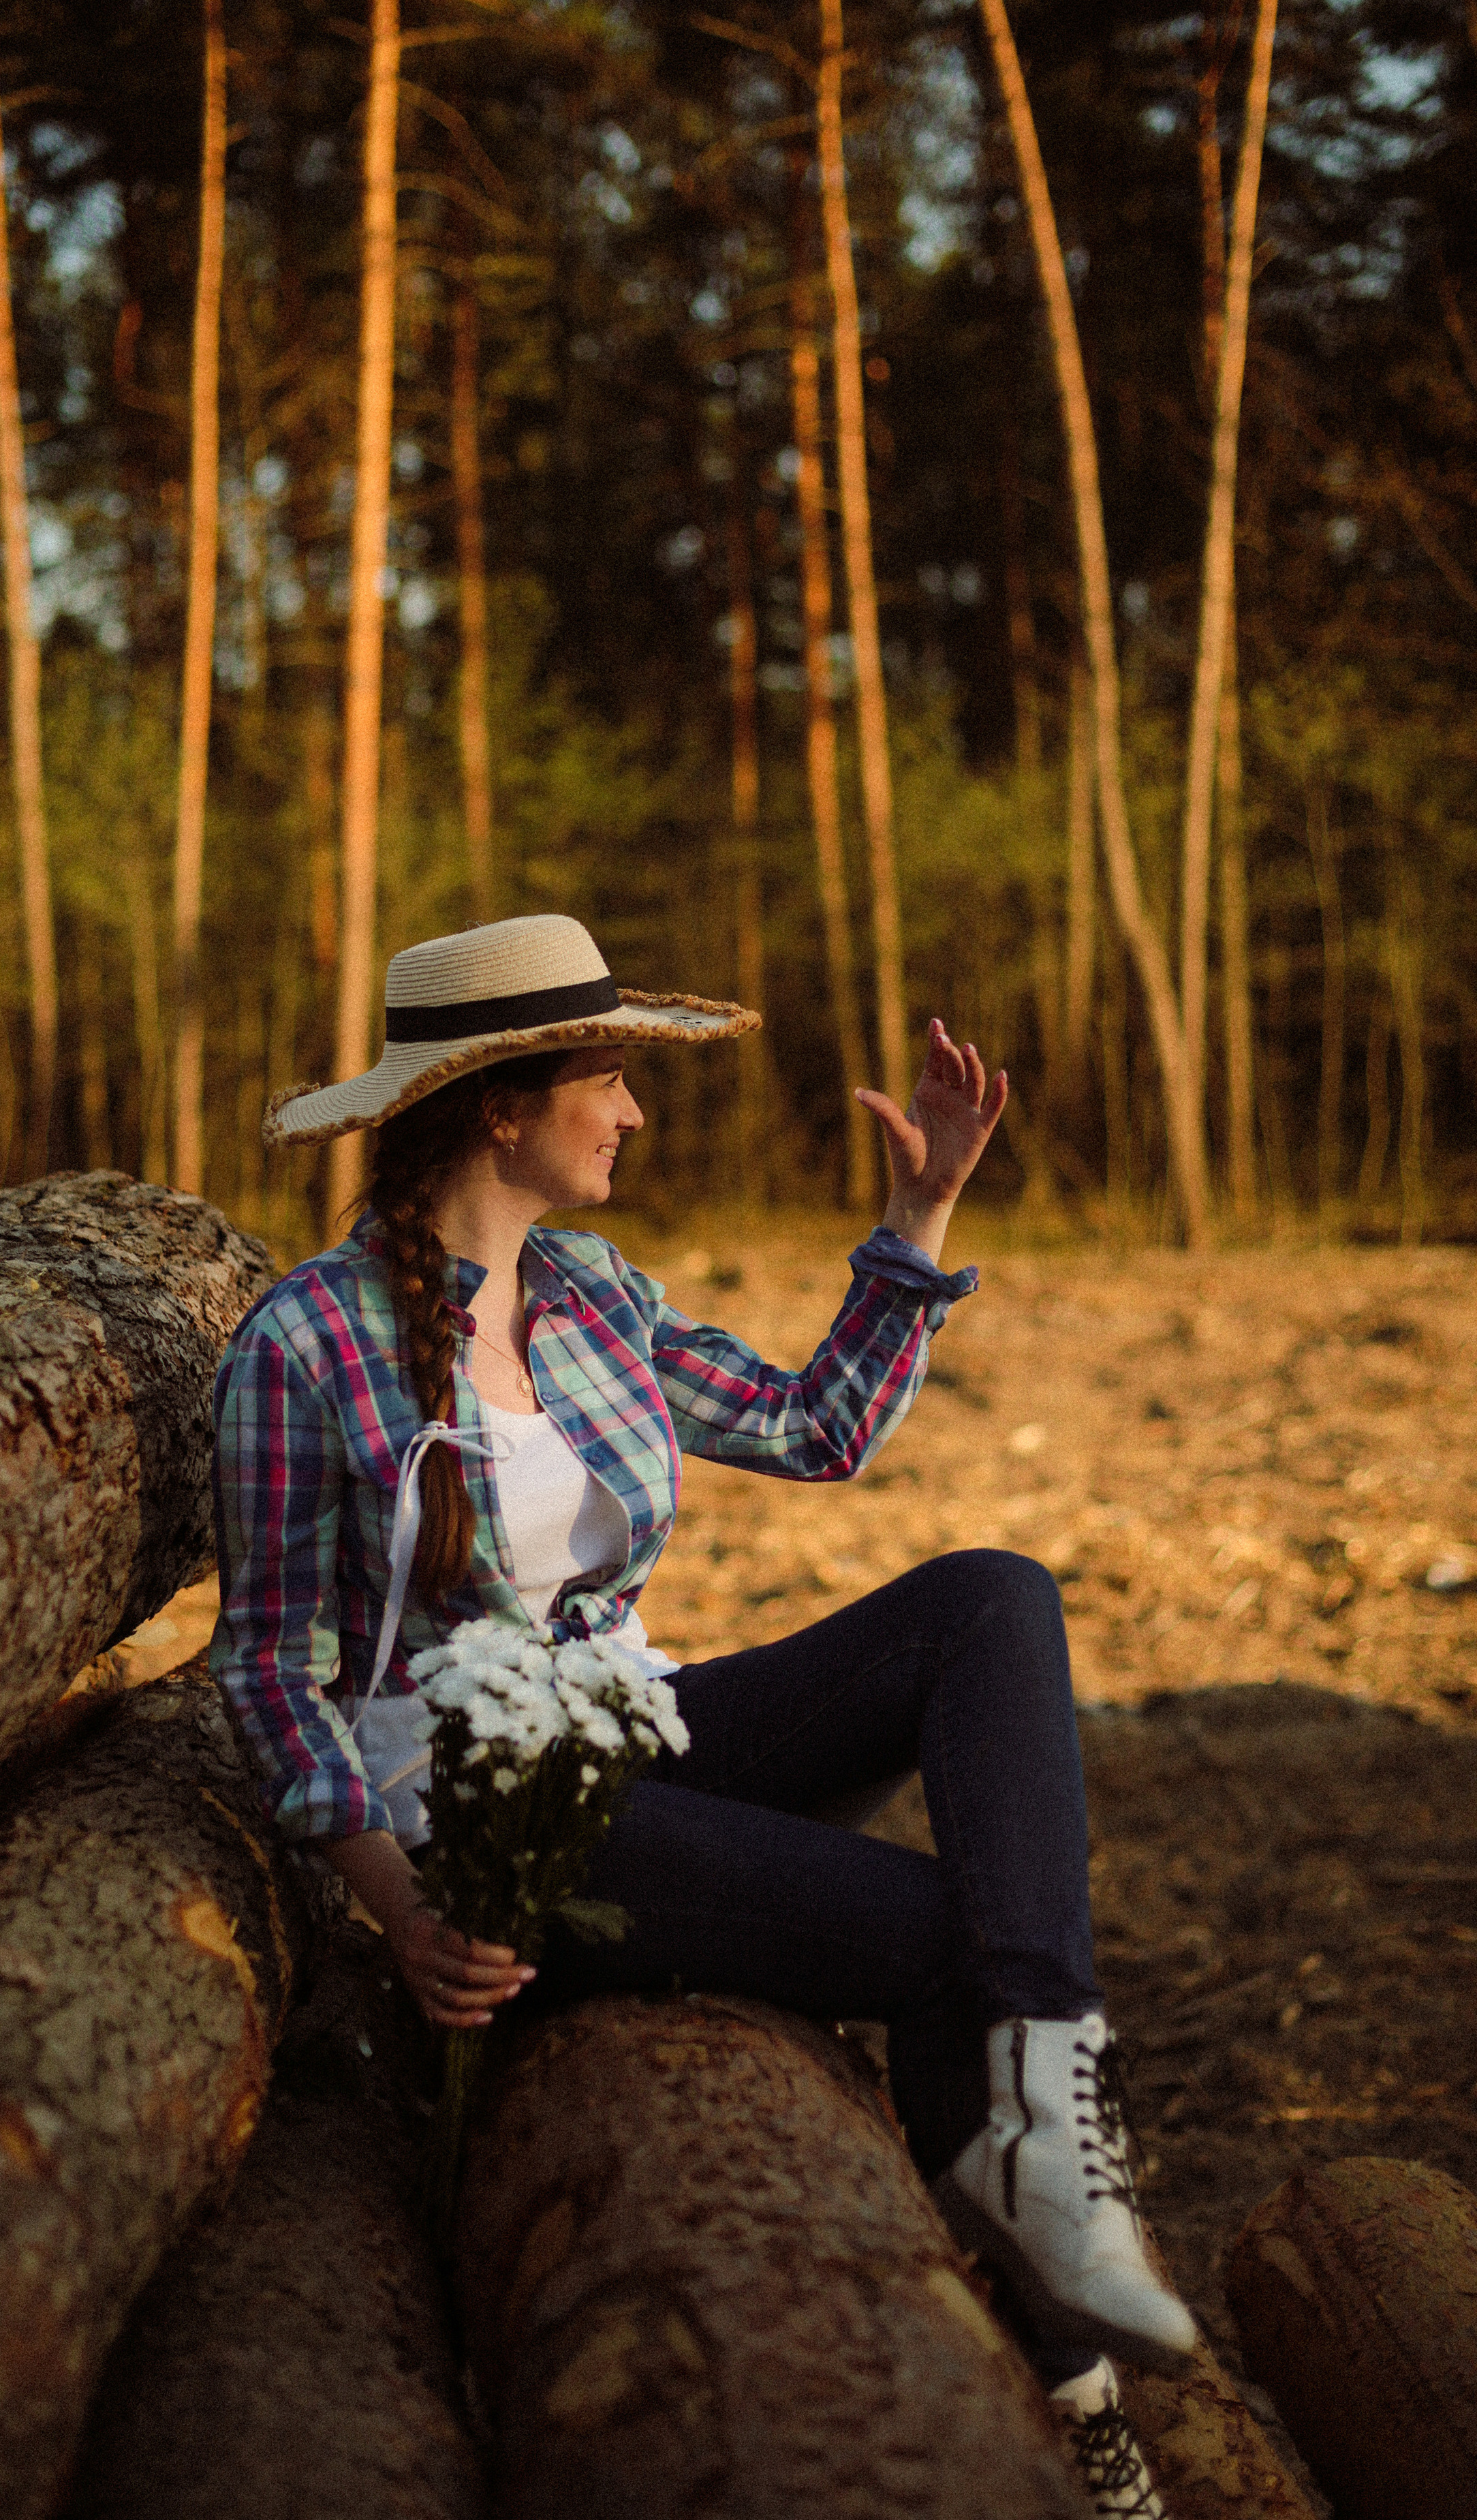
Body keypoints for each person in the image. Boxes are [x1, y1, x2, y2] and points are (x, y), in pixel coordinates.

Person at [211, 912, 1180, 2517]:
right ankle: (1068, 2372)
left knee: (990, 1594)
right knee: (937, 1936)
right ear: (502, 1105)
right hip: (478, 1819)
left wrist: (920, 1206)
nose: (635, 1111)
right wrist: (391, 1901)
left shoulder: (593, 1295)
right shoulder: (307, 1343)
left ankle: (1048, 2112)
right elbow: (262, 1668)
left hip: (635, 1739)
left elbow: (814, 1428)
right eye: (608, 1074)